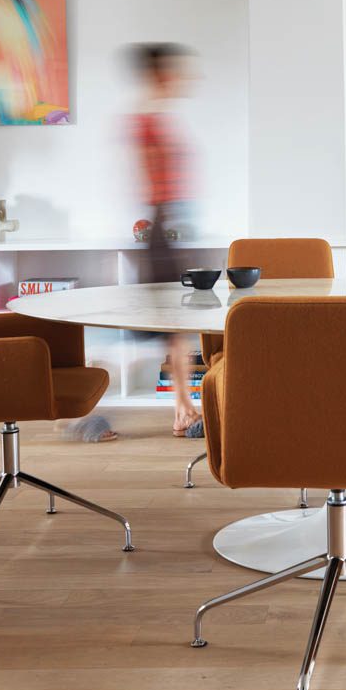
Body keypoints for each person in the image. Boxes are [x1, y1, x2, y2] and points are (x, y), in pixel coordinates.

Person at [131, 43, 204, 437]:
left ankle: (183, 406)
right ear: (158, 73)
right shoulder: (147, 120)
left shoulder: (158, 117)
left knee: (176, 321)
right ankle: (182, 408)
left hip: (171, 223)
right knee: (173, 321)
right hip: (163, 225)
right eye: (173, 70)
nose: (179, 77)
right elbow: (152, 178)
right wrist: (165, 223)